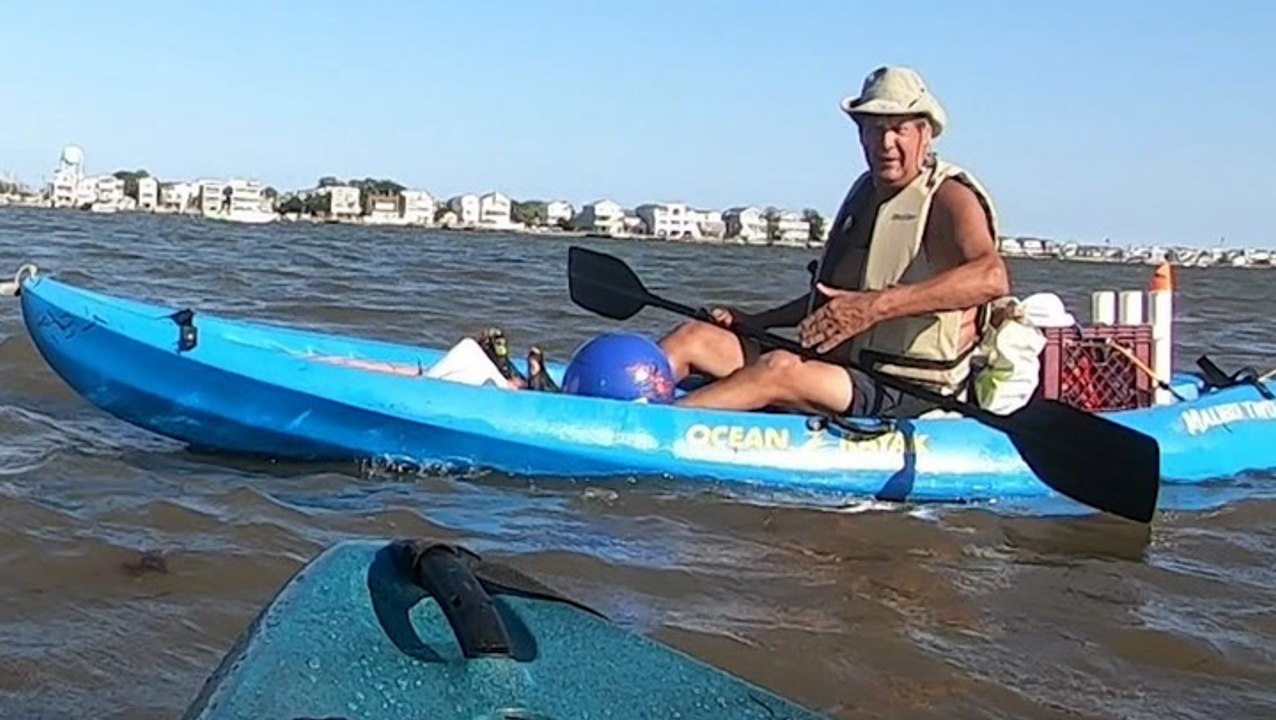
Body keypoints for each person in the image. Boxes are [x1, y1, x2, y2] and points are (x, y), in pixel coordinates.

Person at [660, 65, 1010, 418]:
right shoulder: (865, 193)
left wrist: (876, 307)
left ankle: (654, 430)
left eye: (899, 129)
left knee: (778, 369)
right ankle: (618, 412)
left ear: (924, 134)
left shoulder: (949, 197)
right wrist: (757, 320)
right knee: (695, 337)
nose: (886, 143)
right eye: (874, 129)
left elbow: (991, 278)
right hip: (834, 368)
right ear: (861, 136)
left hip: (904, 386)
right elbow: (832, 300)